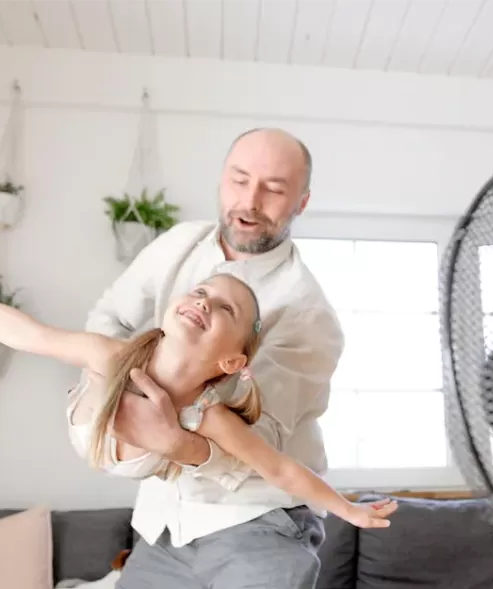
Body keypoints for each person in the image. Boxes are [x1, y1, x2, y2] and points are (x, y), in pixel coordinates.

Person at [0, 265, 397, 530]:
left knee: (210, 452)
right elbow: (24, 333)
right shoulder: (112, 356)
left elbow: (281, 470)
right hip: (88, 419)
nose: (203, 301)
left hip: (147, 451)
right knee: (70, 350)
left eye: (224, 308)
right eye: (200, 291)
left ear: (233, 361)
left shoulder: (208, 416)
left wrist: (348, 509)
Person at [84, 127, 366, 588]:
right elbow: (108, 317)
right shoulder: (178, 245)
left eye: (274, 189)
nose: (251, 201)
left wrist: (174, 439)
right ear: (221, 180)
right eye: (239, 180)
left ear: (301, 202)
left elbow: (261, 444)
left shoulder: (309, 317)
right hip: (163, 522)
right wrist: (118, 397)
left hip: (258, 519)